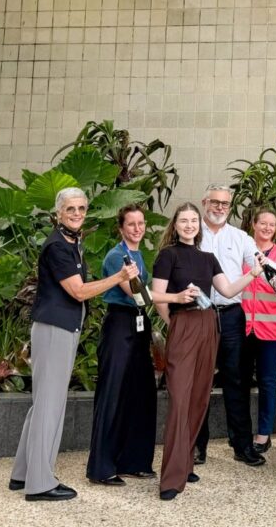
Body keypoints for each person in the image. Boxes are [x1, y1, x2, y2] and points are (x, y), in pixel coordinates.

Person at [10, 188, 141, 502]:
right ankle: (40, 484)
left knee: (43, 403)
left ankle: (23, 473)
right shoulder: (57, 246)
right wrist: (119, 277)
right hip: (54, 328)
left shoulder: (71, 242)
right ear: (58, 212)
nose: (78, 213)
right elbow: (79, 292)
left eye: (82, 208)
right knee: (49, 405)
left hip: (62, 327)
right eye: (71, 209)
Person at [151, 202, 265, 501]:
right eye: (183, 221)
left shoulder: (208, 257)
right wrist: (175, 310)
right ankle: (171, 479)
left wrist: (253, 273)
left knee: (199, 398)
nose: (189, 225)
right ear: (174, 225)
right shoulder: (168, 255)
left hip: (209, 324)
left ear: (198, 226)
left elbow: (227, 291)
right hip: (184, 324)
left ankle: (185, 462)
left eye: (192, 221)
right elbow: (152, 294)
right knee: (180, 399)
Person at [192, 184, 265, 467]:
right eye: (215, 202)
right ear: (204, 202)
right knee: (200, 381)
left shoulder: (240, 236)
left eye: (225, 203)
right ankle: (197, 447)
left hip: (232, 314)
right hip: (200, 315)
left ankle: (242, 445)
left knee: (237, 380)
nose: (220, 207)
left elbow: (260, 262)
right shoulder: (190, 231)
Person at [85, 204, 158, 485]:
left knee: (141, 393)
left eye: (141, 223)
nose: (137, 228)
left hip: (139, 327)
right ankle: (102, 468)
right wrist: (175, 298)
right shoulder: (117, 257)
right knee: (113, 394)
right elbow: (138, 294)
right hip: (119, 326)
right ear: (121, 228)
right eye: (131, 224)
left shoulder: (139, 255)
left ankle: (134, 461)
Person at [241, 208, 276, 454]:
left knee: (267, 383)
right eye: (262, 223)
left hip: (271, 328)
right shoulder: (241, 251)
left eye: (271, 224)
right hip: (241, 326)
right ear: (253, 224)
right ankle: (241, 433)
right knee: (240, 382)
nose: (266, 228)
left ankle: (263, 434)